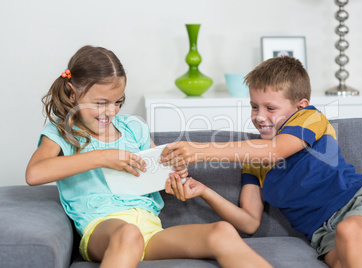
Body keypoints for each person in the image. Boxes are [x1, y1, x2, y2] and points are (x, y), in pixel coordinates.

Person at [25, 45, 272, 268]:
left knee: (222, 232)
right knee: (128, 234)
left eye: (118, 102)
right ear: (71, 93)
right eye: (101, 103)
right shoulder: (62, 132)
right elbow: (35, 173)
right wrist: (103, 157)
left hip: (151, 231)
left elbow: (157, 171)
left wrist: (175, 178)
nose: (111, 111)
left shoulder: (135, 128)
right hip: (104, 230)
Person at [162, 56, 362, 268]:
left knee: (349, 231)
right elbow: (249, 222)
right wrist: (204, 191)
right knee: (341, 260)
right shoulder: (254, 160)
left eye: (270, 108)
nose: (259, 116)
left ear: (300, 107)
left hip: (361, 203)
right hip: (323, 233)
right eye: (254, 106)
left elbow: (276, 150)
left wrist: (200, 150)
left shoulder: (310, 118)